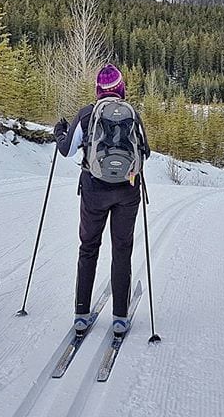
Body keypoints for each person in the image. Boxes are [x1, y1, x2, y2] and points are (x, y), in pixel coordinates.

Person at [54, 64, 150, 337]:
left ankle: (81, 314)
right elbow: (146, 151)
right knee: (122, 249)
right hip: (127, 191)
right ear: (121, 88)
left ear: (98, 89)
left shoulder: (87, 113)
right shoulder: (132, 113)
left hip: (94, 190)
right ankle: (120, 317)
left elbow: (66, 149)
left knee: (88, 247)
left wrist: (59, 131)